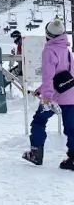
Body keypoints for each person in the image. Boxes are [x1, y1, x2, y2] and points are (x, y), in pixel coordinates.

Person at [23, 19, 74, 169]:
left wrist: (46, 97)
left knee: (38, 121)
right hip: (71, 95)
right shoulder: (67, 50)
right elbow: (65, 75)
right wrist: (41, 89)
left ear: (48, 35)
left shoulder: (49, 51)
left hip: (54, 97)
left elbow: (48, 76)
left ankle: (36, 153)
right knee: (72, 128)